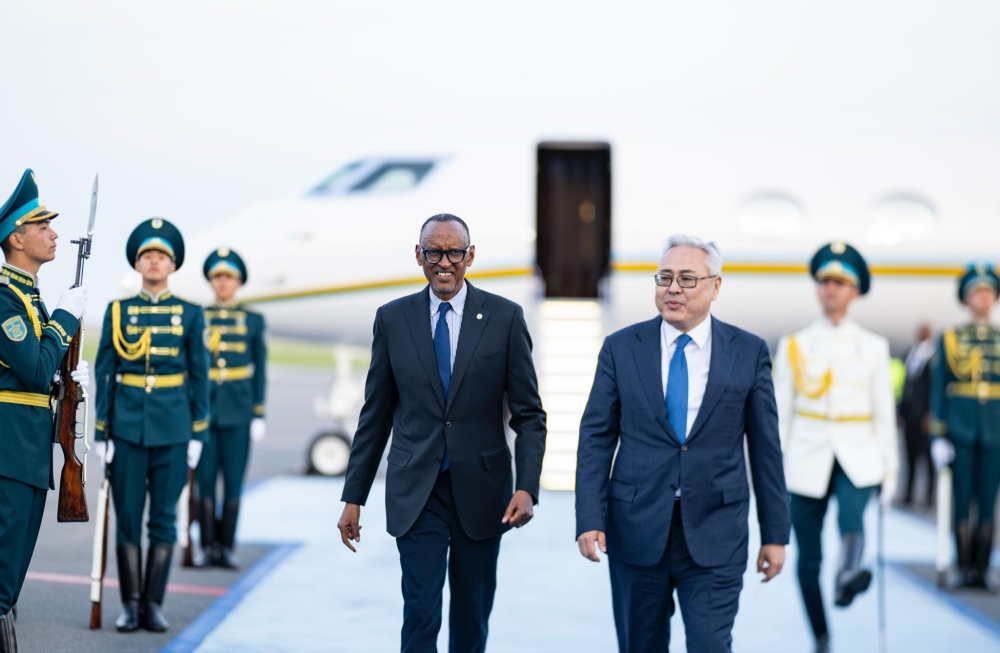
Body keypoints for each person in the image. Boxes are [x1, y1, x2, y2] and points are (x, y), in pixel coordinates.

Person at [337, 214, 546, 653]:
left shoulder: (505, 318)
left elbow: (529, 416)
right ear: (419, 256)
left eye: (454, 252)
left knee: (471, 620)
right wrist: (354, 496)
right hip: (417, 491)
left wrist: (527, 487)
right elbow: (375, 415)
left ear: (470, 256)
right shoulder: (393, 319)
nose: (444, 262)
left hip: (484, 492)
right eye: (434, 252)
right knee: (420, 615)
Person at [575, 234, 789, 653]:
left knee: (711, 645)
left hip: (717, 533)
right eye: (665, 277)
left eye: (687, 279)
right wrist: (588, 516)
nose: (673, 288)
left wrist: (775, 534)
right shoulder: (621, 349)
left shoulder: (747, 352)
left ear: (715, 286)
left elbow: (766, 449)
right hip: (636, 529)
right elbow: (596, 437)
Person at [773, 243, 898, 653]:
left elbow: (883, 412)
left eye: (840, 283)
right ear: (817, 289)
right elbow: (782, 415)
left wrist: (891, 472)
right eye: (825, 282)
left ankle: (848, 576)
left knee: (851, 518)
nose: (831, 289)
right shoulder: (794, 343)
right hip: (806, 456)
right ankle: (821, 635)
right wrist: (774, 468)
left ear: (855, 291)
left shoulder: (874, 347)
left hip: (858, 454)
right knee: (808, 560)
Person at [93, 218, 210, 632]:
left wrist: (197, 431)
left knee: (163, 518)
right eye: (147, 255)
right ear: (137, 264)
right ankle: (129, 604)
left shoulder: (191, 314)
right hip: (126, 428)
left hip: (174, 428)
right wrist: (102, 432)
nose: (154, 261)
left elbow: (200, 377)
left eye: (161, 256)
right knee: (127, 517)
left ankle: (153, 604)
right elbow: (105, 372)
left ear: (172, 264)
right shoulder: (118, 311)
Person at [0, 170, 88, 652]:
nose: (54, 234)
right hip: (9, 449)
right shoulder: (3, 298)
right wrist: (64, 319)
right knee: (1, 581)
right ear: (17, 237)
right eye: (43, 227)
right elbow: (33, 370)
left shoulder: (26, 297)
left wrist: (69, 377)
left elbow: (44, 375)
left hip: (28, 451)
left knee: (9, 582)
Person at [929, 263, 1000, 590]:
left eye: (988, 292)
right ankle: (962, 565)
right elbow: (939, 385)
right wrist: (939, 433)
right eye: (976, 293)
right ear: (966, 299)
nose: (982, 299)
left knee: (988, 499)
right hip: (960, 427)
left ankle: (982, 569)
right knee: (960, 499)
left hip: (995, 429)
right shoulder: (950, 337)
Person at [194, 248, 267, 568]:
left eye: (229, 277)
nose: (223, 283)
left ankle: (227, 547)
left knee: (234, 481)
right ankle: (207, 546)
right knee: (205, 480)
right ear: (211, 282)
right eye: (218, 277)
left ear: (238, 282)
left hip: (239, 411)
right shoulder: (199, 317)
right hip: (206, 410)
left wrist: (259, 412)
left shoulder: (253, 320)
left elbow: (260, 368)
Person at [900, 324, 935, 506]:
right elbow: (904, 386)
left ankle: (930, 495)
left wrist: (931, 414)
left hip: (924, 417)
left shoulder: (934, 356)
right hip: (909, 415)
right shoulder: (909, 354)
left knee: (928, 458)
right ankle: (908, 493)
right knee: (910, 457)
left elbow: (935, 388)